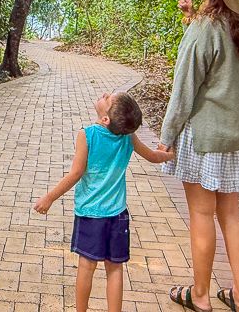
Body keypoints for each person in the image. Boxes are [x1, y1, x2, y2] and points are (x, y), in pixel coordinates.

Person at [160, 0, 239, 312]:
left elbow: (185, 88)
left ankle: (200, 295)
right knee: (230, 215)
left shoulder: (207, 29)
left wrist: (166, 136)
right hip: (234, 137)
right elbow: (220, 69)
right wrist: (191, 20)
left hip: (203, 136)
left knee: (201, 215)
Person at [33, 92, 175, 312]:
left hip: (90, 214)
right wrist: (167, 155)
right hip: (117, 214)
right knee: (115, 269)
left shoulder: (87, 135)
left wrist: (49, 197)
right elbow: (152, 156)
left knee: (86, 266)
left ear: (106, 119)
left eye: (108, 99)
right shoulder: (127, 136)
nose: (105, 95)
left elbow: (76, 173)